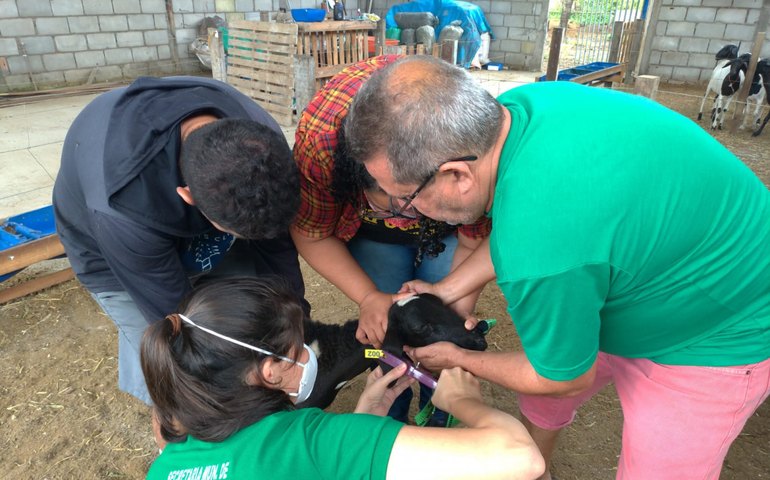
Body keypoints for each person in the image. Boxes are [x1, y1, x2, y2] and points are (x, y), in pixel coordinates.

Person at [344, 55, 770, 479]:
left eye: (406, 196)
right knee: (545, 388)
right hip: (644, 268)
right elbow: (540, 229)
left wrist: (458, 358)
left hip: (720, 325)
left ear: (457, 174)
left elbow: (560, 375)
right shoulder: (520, 111)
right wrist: (449, 289)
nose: (404, 209)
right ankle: (537, 470)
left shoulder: (542, 246)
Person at [53, 76, 308, 406]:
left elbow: (276, 244)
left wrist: (297, 319)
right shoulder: (122, 205)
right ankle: (183, 437)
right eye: (236, 232)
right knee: (182, 372)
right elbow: (180, 321)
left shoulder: (259, 141)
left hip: (197, 218)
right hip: (112, 250)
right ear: (187, 195)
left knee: (254, 320)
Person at [141, 276, 545, 480]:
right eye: (299, 347)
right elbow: (521, 457)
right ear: (270, 370)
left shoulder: (167, 464)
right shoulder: (312, 438)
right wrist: (461, 401)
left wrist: (362, 420)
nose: (306, 353)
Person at [291, 55, 491, 424]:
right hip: (374, 233)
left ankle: (440, 408)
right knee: (386, 326)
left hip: (447, 221)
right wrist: (369, 296)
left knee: (439, 322)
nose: (406, 217)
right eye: (391, 204)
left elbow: (475, 239)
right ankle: (388, 418)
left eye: (412, 202)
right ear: (361, 177)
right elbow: (312, 233)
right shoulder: (322, 144)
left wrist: (456, 308)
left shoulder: (470, 146)